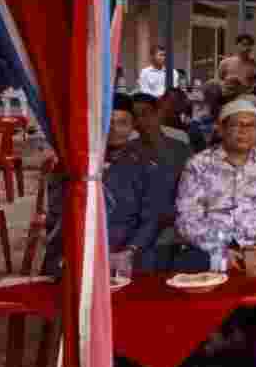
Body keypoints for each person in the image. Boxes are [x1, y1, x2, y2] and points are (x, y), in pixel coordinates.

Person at [43, 94, 171, 274]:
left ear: (133, 125)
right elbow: (57, 215)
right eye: (107, 123)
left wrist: (129, 251)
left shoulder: (147, 165)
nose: (114, 129)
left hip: (128, 251)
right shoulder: (72, 163)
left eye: (122, 123)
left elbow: (152, 218)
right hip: (79, 247)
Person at [173, 98, 256, 271]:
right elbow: (187, 217)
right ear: (221, 129)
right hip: (208, 248)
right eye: (236, 125)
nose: (244, 131)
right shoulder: (198, 164)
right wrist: (219, 251)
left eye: (251, 125)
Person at [130, 92, 192, 178]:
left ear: (158, 113)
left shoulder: (180, 148)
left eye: (145, 113)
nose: (140, 120)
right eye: (135, 116)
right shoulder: (128, 149)